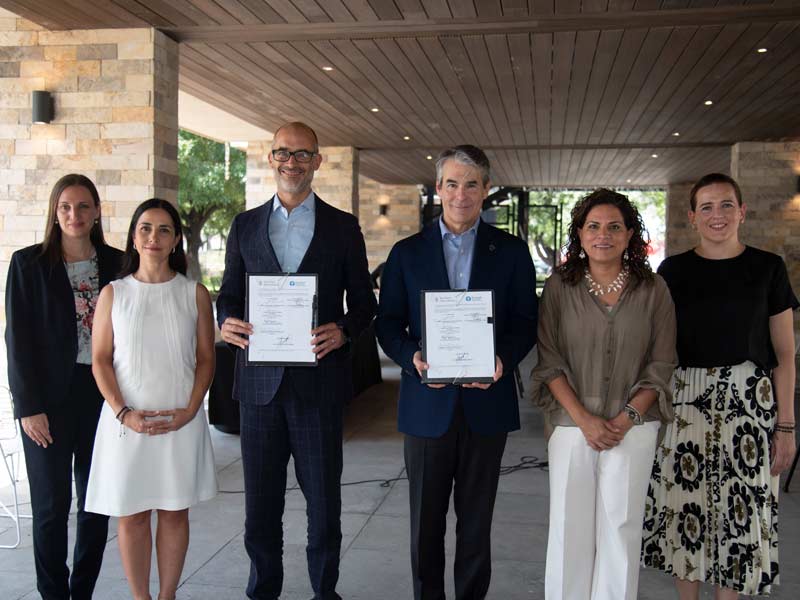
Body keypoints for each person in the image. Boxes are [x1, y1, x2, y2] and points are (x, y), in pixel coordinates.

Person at [216, 121, 376, 600]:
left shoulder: (343, 226)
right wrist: (226, 320)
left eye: (303, 154)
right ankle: (263, 590)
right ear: (271, 158)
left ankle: (325, 592)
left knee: (324, 505)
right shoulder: (244, 225)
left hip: (318, 387)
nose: (292, 162)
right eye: (283, 153)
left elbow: (365, 302)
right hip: (259, 388)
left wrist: (344, 329)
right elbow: (227, 295)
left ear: (317, 162)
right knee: (260, 508)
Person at [375, 145, 538, 600]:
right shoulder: (406, 253)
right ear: (438, 189)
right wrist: (412, 357)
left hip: (487, 406)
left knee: (476, 524)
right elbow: (386, 323)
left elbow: (527, 320)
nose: (460, 194)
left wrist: (503, 359)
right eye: (451, 183)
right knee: (425, 526)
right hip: (427, 406)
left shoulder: (510, 251)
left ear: (486, 190)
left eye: (471, 184)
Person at [642, 173, 798, 599]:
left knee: (739, 517)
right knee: (685, 509)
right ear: (692, 217)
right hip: (687, 400)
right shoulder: (672, 271)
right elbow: (655, 345)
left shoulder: (768, 268)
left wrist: (786, 426)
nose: (717, 215)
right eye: (707, 207)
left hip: (748, 403)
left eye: (726, 204)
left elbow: (785, 354)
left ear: (742, 212)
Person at [531, 188, 677, 600]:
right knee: (568, 531)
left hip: (632, 427)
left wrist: (626, 417)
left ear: (631, 234)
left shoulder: (654, 289)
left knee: (621, 531)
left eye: (614, 227)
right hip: (570, 423)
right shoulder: (560, 286)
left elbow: (662, 363)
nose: (603, 235)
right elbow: (549, 358)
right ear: (579, 233)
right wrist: (584, 419)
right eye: (593, 226)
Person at [85, 198, 218, 600]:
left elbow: (206, 359)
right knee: (132, 515)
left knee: (175, 512)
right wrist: (123, 413)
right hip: (127, 422)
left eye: (163, 229)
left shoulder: (194, 293)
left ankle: (168, 596)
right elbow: (100, 360)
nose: (153, 237)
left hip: (180, 418)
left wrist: (191, 412)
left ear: (176, 239)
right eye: (145, 228)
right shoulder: (113, 293)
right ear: (133, 236)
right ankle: (141, 597)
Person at [5, 173, 121, 600]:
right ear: (55, 213)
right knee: (51, 508)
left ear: (96, 213)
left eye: (83, 206)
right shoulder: (28, 263)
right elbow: (16, 341)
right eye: (66, 207)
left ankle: (82, 591)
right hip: (47, 402)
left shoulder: (119, 263)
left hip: (103, 396)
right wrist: (28, 407)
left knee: (96, 504)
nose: (75, 214)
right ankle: (52, 594)